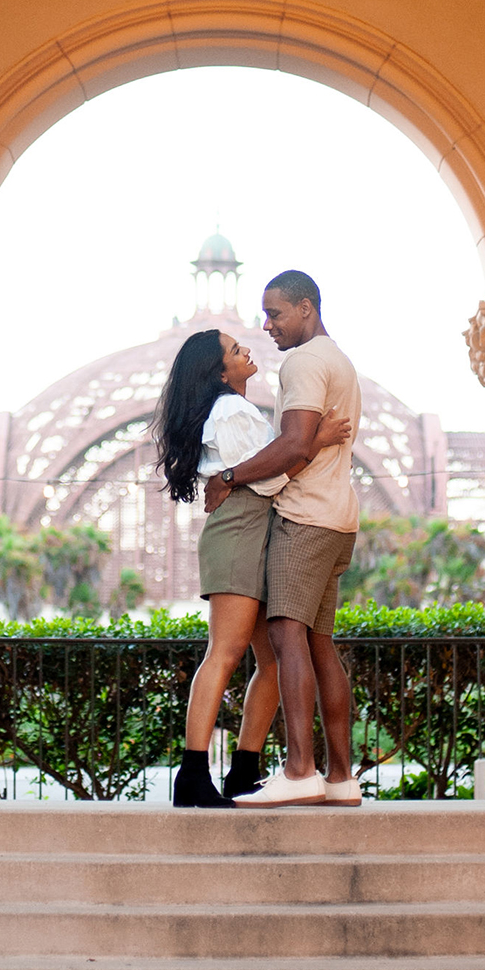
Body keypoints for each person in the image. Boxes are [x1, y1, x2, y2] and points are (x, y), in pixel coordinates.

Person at [153, 326, 352, 808]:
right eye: (234, 350)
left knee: (270, 661)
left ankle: (244, 770)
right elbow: (265, 483)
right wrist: (315, 441)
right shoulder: (231, 410)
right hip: (240, 533)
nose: (246, 349)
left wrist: (300, 446)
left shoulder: (238, 410)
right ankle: (193, 776)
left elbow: (263, 470)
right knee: (224, 652)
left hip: (257, 536)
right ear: (219, 370)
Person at [203, 269, 362, 807]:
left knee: (287, 636)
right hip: (340, 517)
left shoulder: (303, 360)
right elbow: (305, 443)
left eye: (275, 313)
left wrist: (227, 476)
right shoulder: (339, 360)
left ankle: (300, 771)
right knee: (320, 645)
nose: (266, 325)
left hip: (306, 517)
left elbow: (293, 447)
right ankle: (340, 779)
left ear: (306, 309)